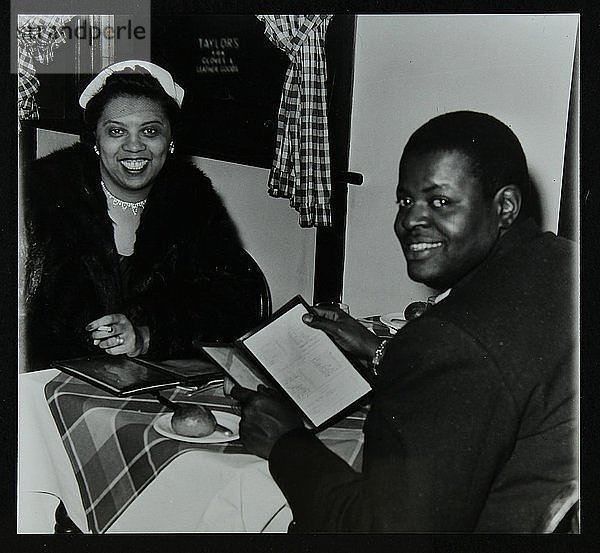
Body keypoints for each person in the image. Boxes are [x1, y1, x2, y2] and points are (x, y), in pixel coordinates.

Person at [231, 111, 577, 532]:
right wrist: (380, 351)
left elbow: (380, 530)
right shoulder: (564, 264)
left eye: (440, 201)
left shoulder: (448, 340)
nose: (411, 219)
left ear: (504, 207)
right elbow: (495, 379)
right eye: (405, 200)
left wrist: (285, 442)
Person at [23, 60, 266, 370]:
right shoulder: (38, 194)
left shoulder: (194, 201)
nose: (134, 147)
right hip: (49, 380)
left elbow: (231, 309)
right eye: (116, 131)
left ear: (171, 140)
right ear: (95, 141)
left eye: (150, 131)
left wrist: (147, 336)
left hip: (160, 380)